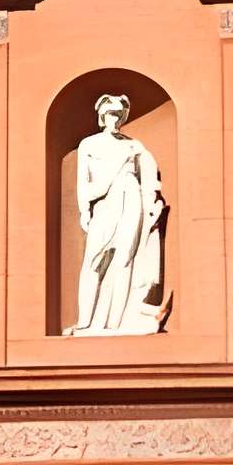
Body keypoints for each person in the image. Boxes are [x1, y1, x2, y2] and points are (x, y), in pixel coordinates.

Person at [70, 93, 167, 334]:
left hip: (131, 200)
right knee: (95, 260)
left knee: (125, 259)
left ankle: (115, 321)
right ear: (102, 116)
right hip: (105, 204)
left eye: (119, 115)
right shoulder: (89, 144)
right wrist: (84, 210)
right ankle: (86, 320)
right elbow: (83, 182)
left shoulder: (134, 145)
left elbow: (149, 178)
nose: (116, 119)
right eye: (111, 114)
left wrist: (152, 205)